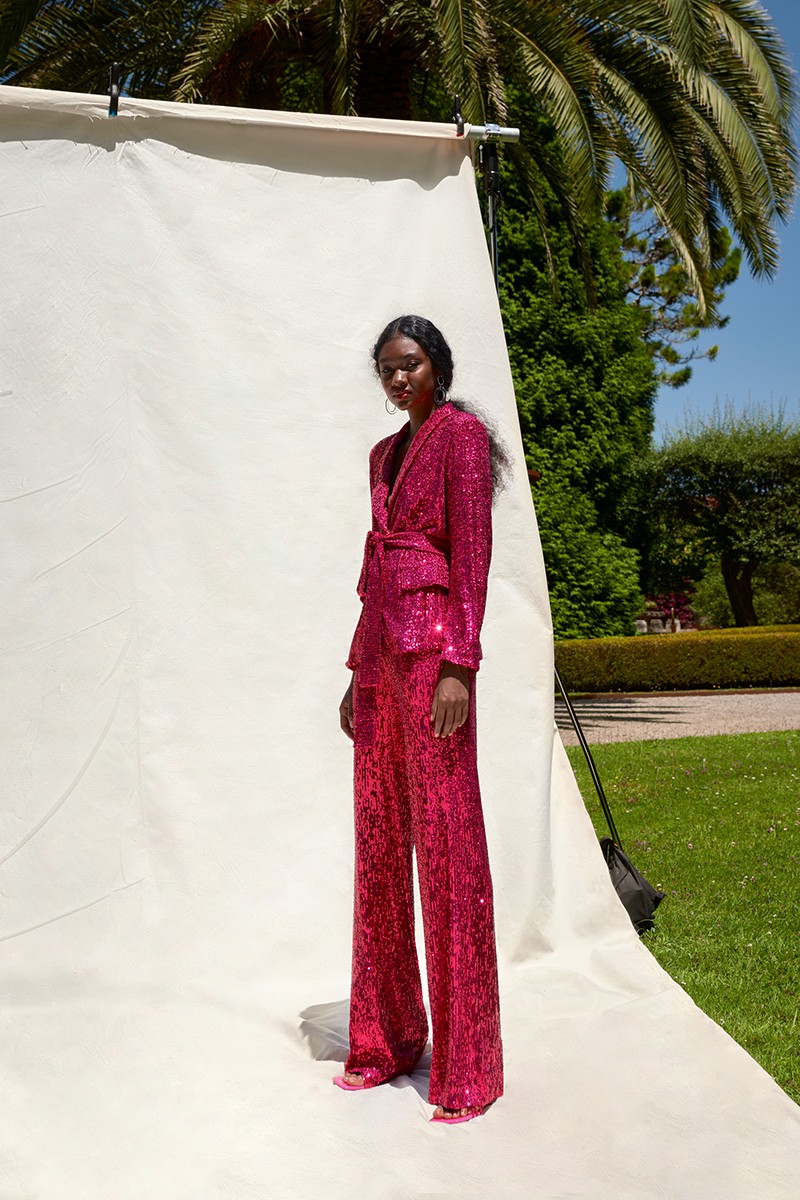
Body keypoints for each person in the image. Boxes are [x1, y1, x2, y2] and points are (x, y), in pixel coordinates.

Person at [335, 315, 507, 1124]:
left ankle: (468, 1067)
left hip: (435, 653)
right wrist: (354, 668)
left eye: (408, 365)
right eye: (386, 369)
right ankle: (386, 1038)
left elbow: (470, 552)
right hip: (380, 662)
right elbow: (378, 569)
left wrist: (459, 665)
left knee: (445, 851)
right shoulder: (381, 455)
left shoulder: (461, 436)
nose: (397, 379)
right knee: (377, 847)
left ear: (435, 364)